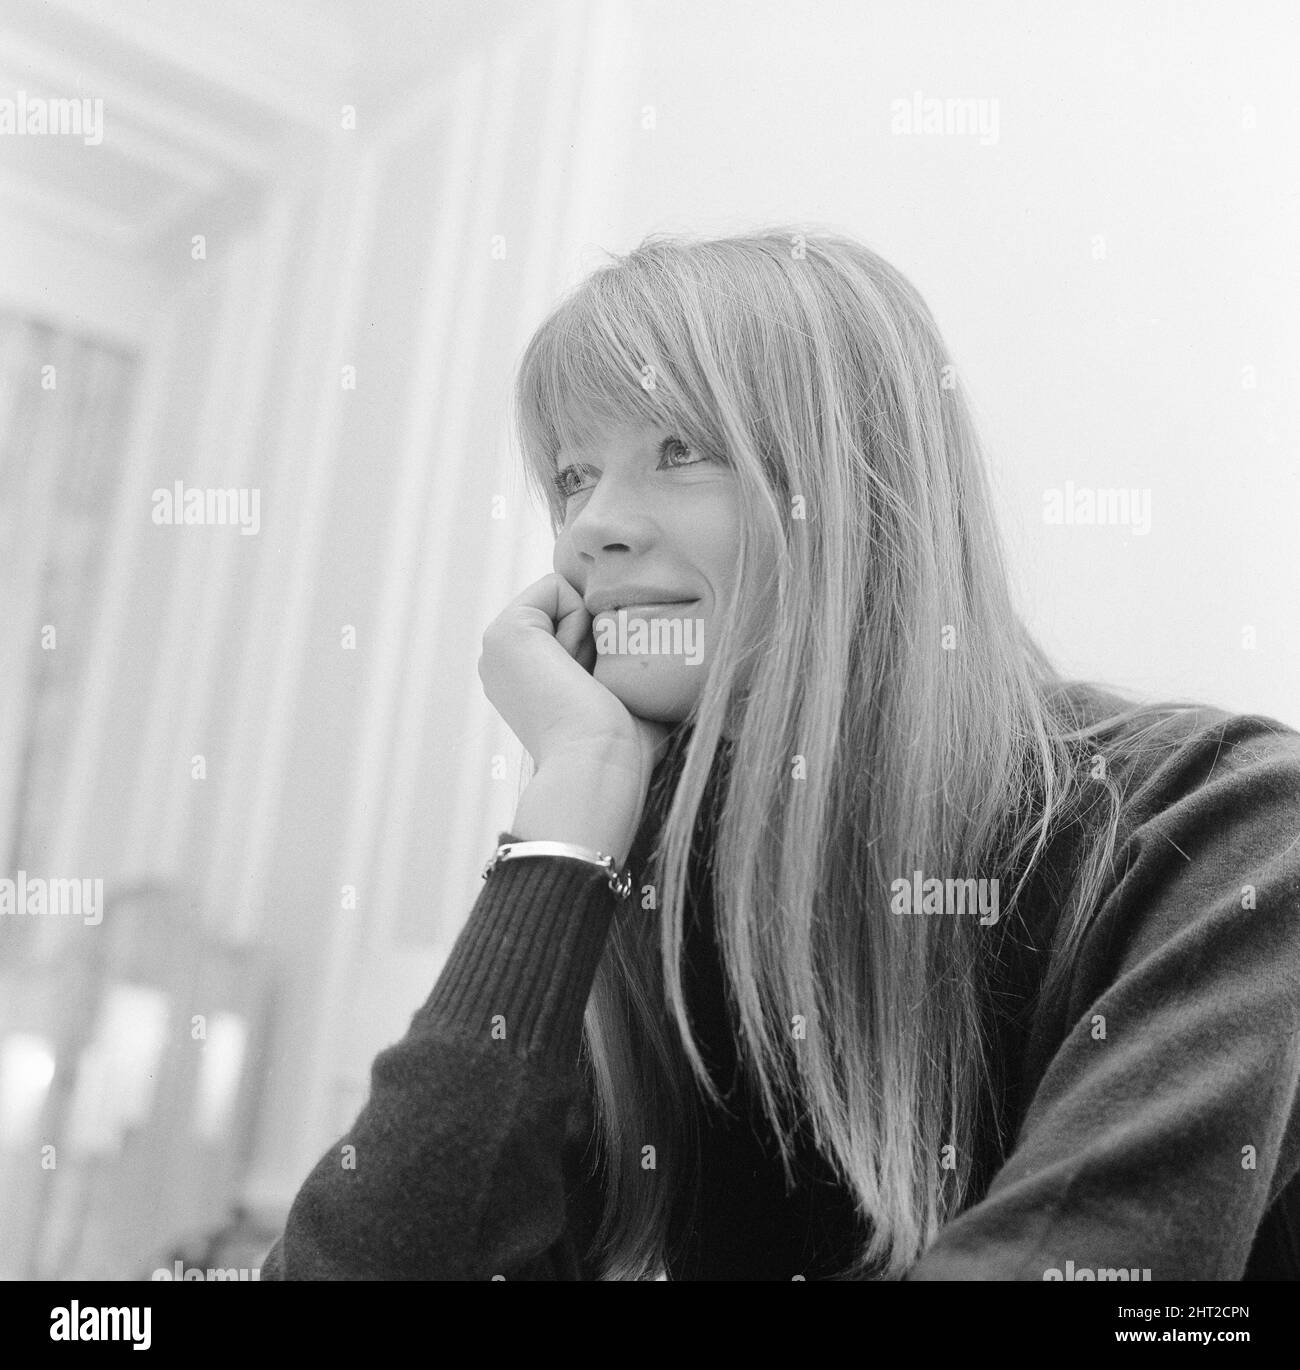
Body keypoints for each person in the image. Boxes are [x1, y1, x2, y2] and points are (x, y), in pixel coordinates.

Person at [261, 231, 1300, 1280]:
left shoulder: (1224, 827)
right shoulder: (647, 906)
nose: (590, 530)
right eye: (573, 475)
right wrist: (570, 813)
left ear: (864, 491)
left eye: (680, 448)